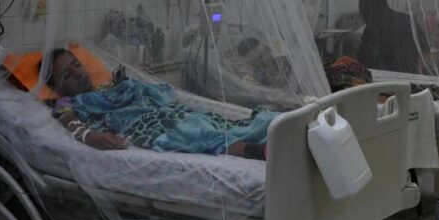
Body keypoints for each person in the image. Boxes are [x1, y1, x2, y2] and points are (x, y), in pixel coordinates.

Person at [45, 48, 272, 159]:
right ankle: (257, 152)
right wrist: (93, 137)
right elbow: (72, 124)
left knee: (214, 121)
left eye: (76, 65)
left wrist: (128, 88)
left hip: (163, 112)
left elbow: (156, 96)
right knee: (193, 133)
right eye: (67, 74)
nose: (77, 73)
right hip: (143, 125)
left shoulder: (109, 85)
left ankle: (275, 129)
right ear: (56, 86)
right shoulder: (67, 102)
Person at [356, 0, 420, 74]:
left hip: (391, 77)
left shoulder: (373, 29)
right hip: (410, 74)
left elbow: (362, 61)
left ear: (371, 12)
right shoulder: (407, 20)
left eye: (364, 13)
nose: (364, 18)